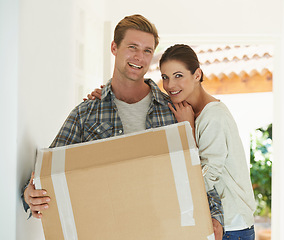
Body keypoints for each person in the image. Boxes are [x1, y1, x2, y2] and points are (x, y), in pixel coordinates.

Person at [21, 15, 224, 239]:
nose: (140, 57)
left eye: (147, 50)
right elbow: (48, 175)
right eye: (132, 47)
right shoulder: (86, 114)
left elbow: (197, 171)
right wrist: (30, 194)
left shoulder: (173, 111)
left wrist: (215, 216)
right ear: (114, 47)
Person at [89, 44, 257, 240]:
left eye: (178, 75)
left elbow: (207, 175)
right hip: (209, 223)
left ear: (197, 75)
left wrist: (189, 129)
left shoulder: (213, 117)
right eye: (165, 77)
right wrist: (106, 96)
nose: (170, 85)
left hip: (231, 226)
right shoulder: (183, 109)